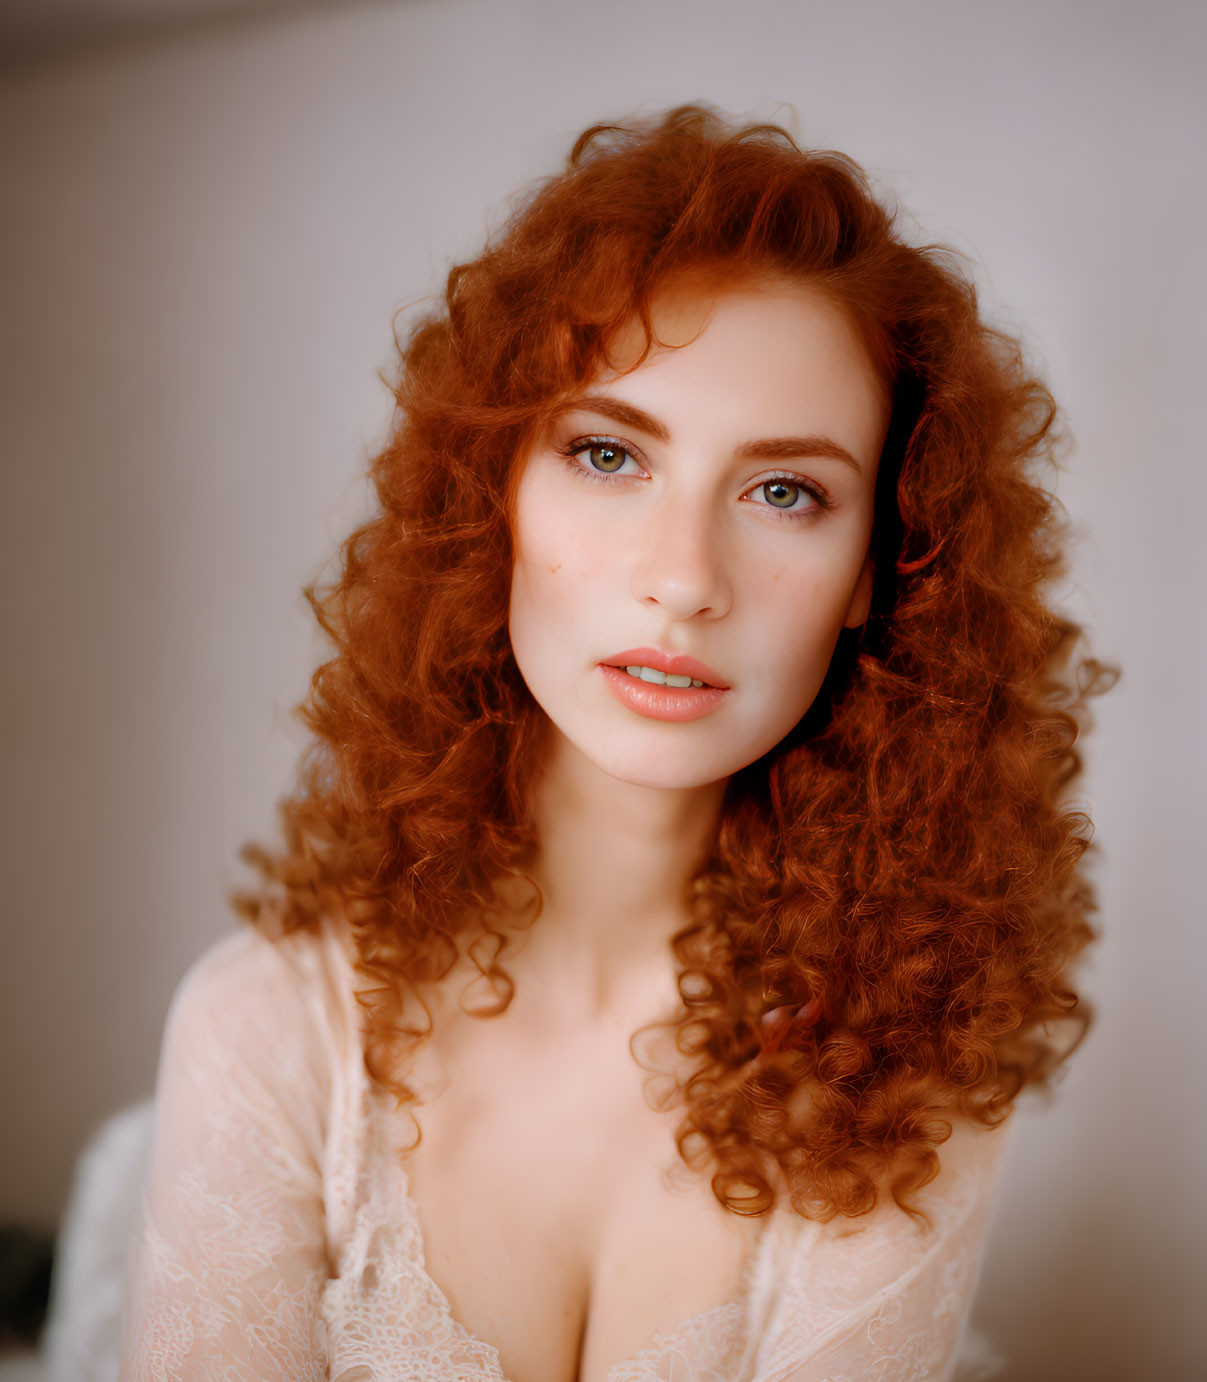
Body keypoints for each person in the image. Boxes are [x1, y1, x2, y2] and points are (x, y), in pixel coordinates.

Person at [119, 105, 1110, 1381]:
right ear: (497, 496)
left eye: (783, 491)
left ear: (877, 567)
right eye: (606, 453)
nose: (683, 579)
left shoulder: (893, 1067)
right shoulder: (265, 1030)